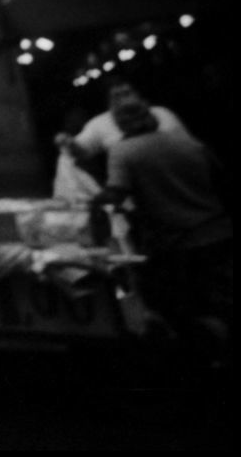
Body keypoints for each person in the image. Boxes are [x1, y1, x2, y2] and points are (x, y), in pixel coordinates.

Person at [98, 97, 232, 363]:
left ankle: (212, 365)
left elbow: (115, 194)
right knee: (224, 301)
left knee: (189, 309)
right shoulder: (188, 142)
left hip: (176, 244)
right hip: (220, 233)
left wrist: (90, 202)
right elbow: (220, 177)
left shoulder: (123, 151)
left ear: (119, 123)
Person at [57, 77, 188, 182]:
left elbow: (187, 147)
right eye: (117, 96)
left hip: (176, 177)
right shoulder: (115, 144)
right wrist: (69, 143)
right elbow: (81, 150)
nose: (124, 100)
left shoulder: (163, 114)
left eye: (127, 93)